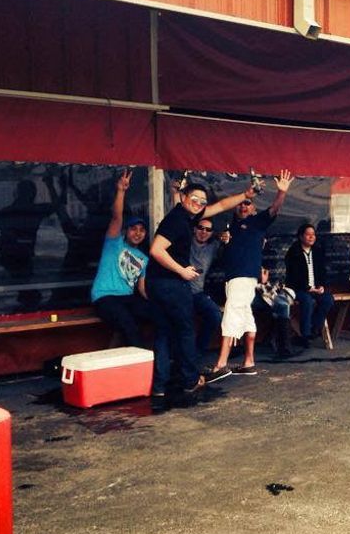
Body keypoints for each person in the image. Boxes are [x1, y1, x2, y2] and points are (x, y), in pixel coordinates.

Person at [146, 177, 264, 401]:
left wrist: (245, 195)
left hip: (158, 283)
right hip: (170, 284)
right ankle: (190, 380)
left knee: (163, 334)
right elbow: (156, 250)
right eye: (194, 199)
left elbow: (219, 206)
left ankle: (160, 386)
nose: (199, 204)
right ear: (183, 198)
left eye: (202, 201)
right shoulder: (177, 221)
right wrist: (181, 270)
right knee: (186, 330)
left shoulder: (185, 216)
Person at [208, 170, 292, 380]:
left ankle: (221, 364)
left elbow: (274, 209)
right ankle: (249, 361)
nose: (243, 206)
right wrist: (223, 240)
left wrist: (281, 192)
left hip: (243, 277)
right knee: (245, 316)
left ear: (253, 208)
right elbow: (222, 254)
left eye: (247, 204)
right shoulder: (230, 228)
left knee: (231, 314)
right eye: (240, 204)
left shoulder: (257, 222)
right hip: (235, 277)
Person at [89, 170, 151, 347]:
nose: (138, 233)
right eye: (134, 229)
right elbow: (117, 217)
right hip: (105, 297)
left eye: (142, 230)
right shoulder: (114, 243)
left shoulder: (143, 259)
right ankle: (139, 369)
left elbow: (142, 289)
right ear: (126, 231)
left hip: (128, 298)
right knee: (129, 327)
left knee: (157, 316)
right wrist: (121, 191)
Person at [0, 178, 57, 310]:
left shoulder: (6, 212)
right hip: (19, 254)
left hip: (9, 254)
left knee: (22, 281)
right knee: (24, 281)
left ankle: (26, 304)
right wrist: (51, 186)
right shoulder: (35, 211)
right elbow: (57, 205)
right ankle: (27, 306)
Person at [284, 223, 335, 348]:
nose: (311, 237)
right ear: (301, 236)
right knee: (307, 300)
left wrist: (321, 286)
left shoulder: (318, 250)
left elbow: (323, 271)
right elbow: (293, 275)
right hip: (299, 289)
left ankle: (314, 329)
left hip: (316, 288)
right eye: (308, 234)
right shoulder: (293, 252)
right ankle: (305, 336)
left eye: (313, 234)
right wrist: (308, 288)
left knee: (328, 299)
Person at [188, 216, 226, 361]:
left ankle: (198, 351)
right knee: (186, 323)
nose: (203, 232)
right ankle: (185, 356)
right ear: (194, 229)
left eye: (208, 230)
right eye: (200, 228)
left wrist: (223, 237)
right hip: (182, 292)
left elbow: (226, 250)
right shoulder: (186, 242)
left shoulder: (214, 246)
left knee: (215, 315)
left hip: (198, 293)